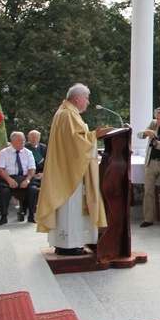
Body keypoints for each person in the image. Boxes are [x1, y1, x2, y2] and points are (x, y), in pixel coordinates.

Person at [35, 84, 112, 255]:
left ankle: (66, 243)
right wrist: (95, 135)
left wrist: (91, 135)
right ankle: (68, 245)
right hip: (71, 174)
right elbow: (76, 143)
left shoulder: (66, 113)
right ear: (76, 98)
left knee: (70, 208)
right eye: (86, 98)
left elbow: (75, 140)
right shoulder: (68, 115)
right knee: (72, 208)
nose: (88, 102)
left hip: (68, 169)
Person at [0, 131, 40, 225]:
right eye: (20, 140)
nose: (23, 142)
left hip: (24, 177)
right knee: (4, 191)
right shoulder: (4, 153)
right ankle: (4, 216)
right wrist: (9, 179)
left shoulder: (28, 153)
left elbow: (32, 169)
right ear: (13, 141)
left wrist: (27, 180)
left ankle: (31, 215)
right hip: (9, 177)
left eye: (23, 140)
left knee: (34, 189)